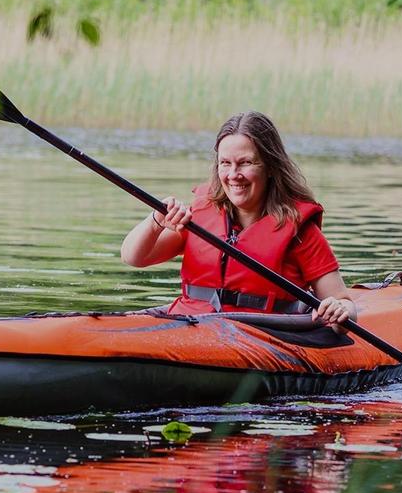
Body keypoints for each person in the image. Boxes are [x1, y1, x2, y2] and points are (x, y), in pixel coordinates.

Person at [121, 112, 356, 330]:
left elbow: (345, 305)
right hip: (191, 325)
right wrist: (156, 221)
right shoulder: (199, 217)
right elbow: (134, 257)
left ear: (270, 167)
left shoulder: (299, 230)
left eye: (245, 163)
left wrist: (339, 310)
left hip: (263, 336)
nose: (233, 175)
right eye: (225, 163)